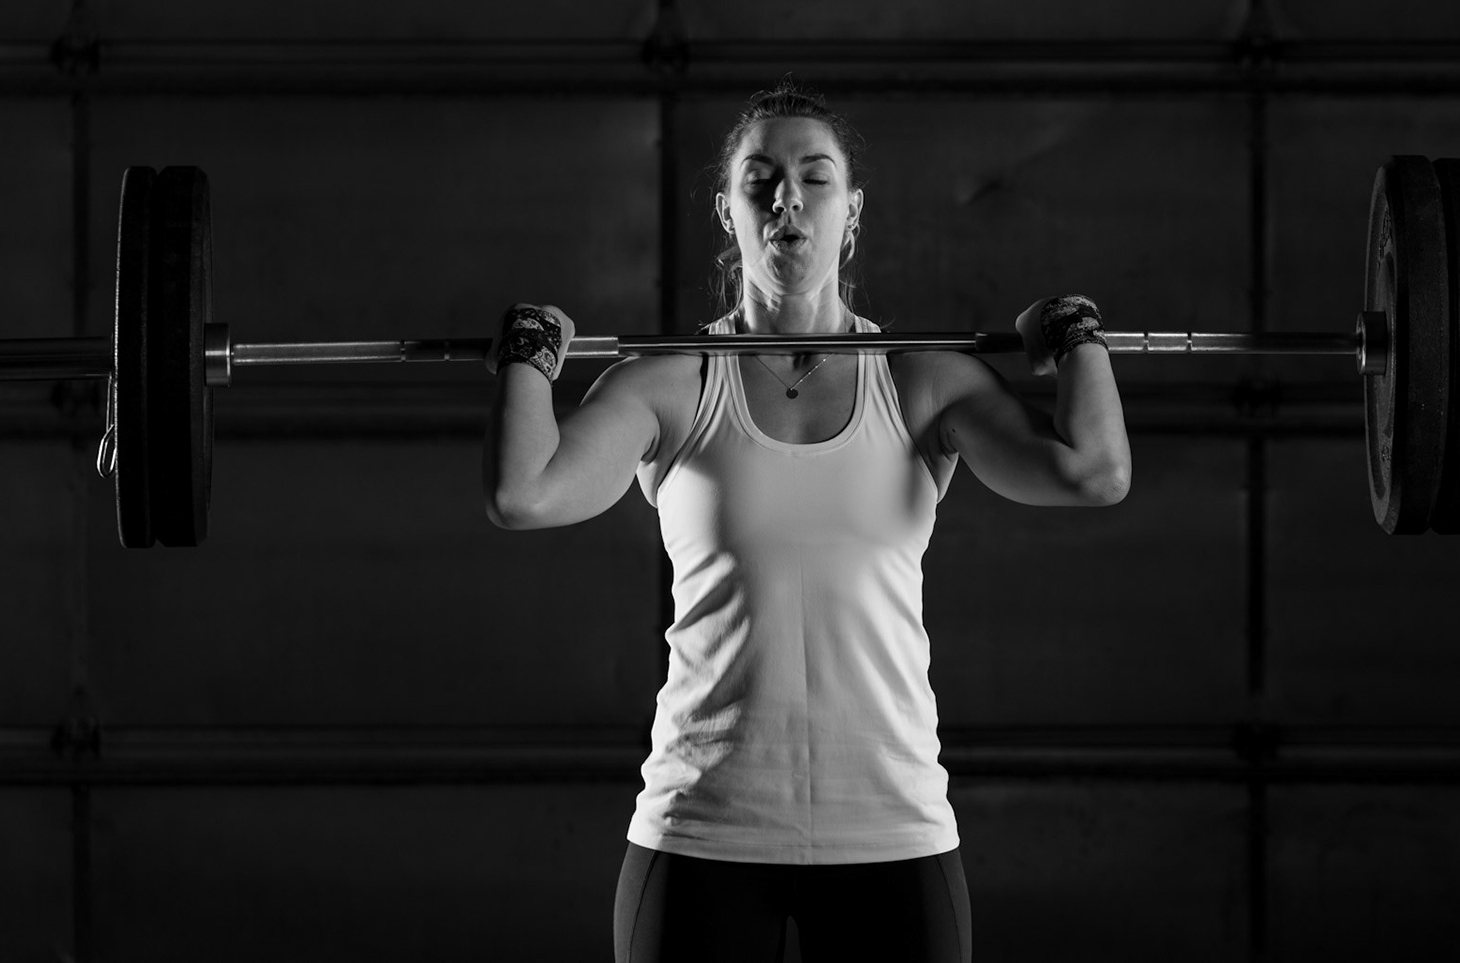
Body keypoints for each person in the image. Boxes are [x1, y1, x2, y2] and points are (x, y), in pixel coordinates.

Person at [482, 80, 1130, 963]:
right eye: (761, 179)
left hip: (892, 832)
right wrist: (527, 356)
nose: (787, 197)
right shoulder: (670, 382)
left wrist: (1076, 336)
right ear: (729, 211)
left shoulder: (920, 381)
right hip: (701, 832)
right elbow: (524, 494)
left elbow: (1095, 473)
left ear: (850, 211)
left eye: (814, 177)